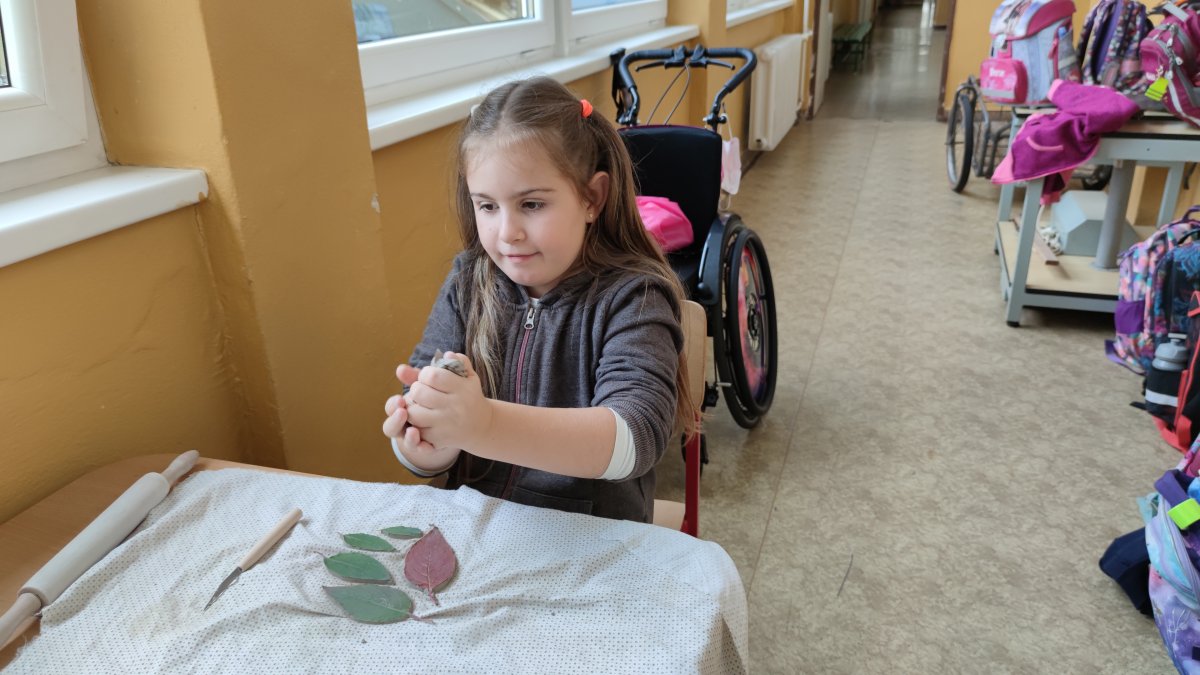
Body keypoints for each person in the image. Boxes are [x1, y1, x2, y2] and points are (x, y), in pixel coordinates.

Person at [381, 76, 695, 523]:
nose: (507, 232)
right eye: (487, 206)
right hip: (480, 529)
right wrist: (428, 440)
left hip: (593, 539)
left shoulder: (635, 297)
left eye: (531, 205)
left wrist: (484, 424)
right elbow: (427, 430)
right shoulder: (468, 281)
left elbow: (635, 437)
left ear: (592, 197)